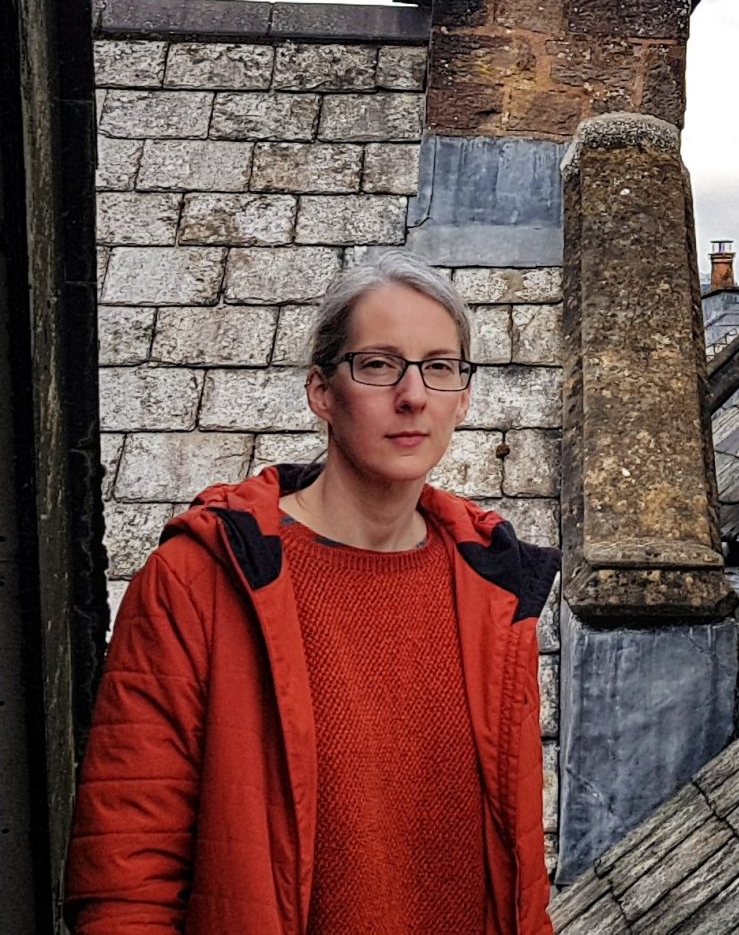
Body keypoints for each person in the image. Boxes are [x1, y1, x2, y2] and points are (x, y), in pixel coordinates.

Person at [67, 251, 558, 935]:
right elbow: (126, 884)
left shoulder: (494, 593)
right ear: (322, 390)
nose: (413, 394)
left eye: (440, 366)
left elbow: (520, 880)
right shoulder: (199, 580)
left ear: (464, 396)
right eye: (379, 364)